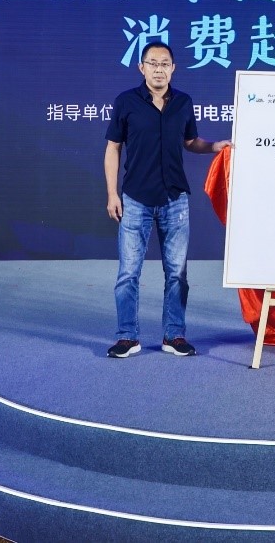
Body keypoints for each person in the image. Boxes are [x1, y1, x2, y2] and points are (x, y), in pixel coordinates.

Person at [104, 41, 228, 358]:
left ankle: (174, 335)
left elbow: (190, 141)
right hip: (135, 198)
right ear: (141, 67)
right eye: (153, 63)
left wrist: (214, 146)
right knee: (128, 273)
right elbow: (113, 148)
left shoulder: (183, 102)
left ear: (173, 68)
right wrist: (112, 193)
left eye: (164, 64)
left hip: (175, 198)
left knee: (177, 274)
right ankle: (127, 337)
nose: (158, 69)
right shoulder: (126, 102)